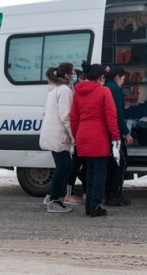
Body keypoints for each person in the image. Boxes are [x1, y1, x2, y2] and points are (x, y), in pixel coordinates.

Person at [70, 61, 120, 218]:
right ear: (101, 77)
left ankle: (89, 205)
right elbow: (111, 117)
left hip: (83, 136)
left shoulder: (78, 92)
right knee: (99, 173)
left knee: (89, 171)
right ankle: (95, 206)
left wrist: (76, 135)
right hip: (98, 137)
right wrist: (116, 136)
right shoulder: (104, 92)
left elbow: (73, 118)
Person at [39, 62, 76, 213]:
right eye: (73, 73)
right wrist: (74, 136)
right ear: (67, 75)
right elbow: (66, 116)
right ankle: (54, 200)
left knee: (64, 166)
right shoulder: (64, 91)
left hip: (53, 133)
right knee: (64, 167)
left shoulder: (54, 90)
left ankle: (51, 196)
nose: (74, 75)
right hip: (59, 135)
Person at [104, 66, 134, 206]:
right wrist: (126, 132)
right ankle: (115, 194)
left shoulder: (104, 86)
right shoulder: (115, 89)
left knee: (110, 164)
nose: (123, 81)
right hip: (115, 133)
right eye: (123, 78)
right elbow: (118, 114)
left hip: (105, 132)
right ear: (117, 76)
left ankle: (108, 193)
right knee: (121, 163)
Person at [63, 70, 87, 206]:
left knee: (77, 165)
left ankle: (71, 193)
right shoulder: (74, 92)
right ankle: (81, 193)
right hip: (79, 135)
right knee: (82, 166)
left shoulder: (74, 91)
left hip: (78, 134)